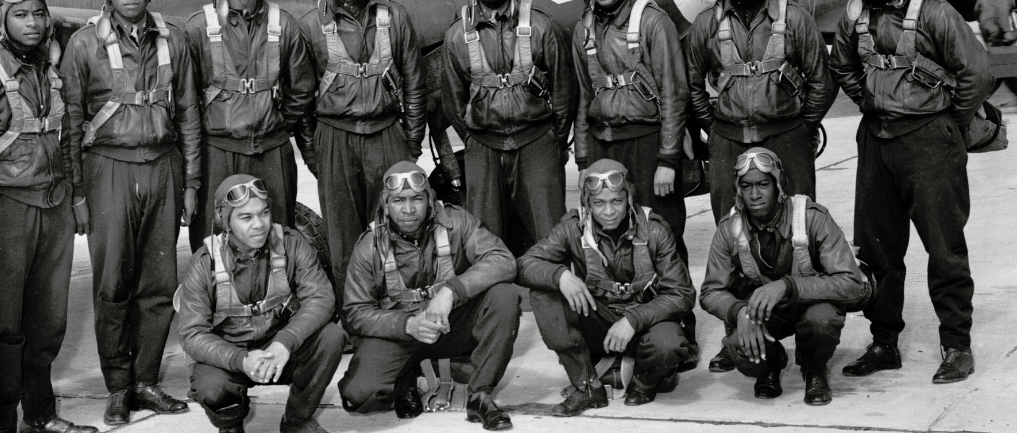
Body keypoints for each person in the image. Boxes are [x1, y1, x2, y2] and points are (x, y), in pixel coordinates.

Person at [829, 0, 993, 384]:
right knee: (877, 250)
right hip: (876, 142)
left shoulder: (934, 11)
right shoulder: (854, 16)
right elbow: (841, 65)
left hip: (929, 142)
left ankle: (957, 345)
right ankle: (884, 343)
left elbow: (976, 72)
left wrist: (949, 123)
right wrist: (869, 98)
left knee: (944, 250)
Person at [61, 0, 204, 424]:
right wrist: (79, 195)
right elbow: (72, 124)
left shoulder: (175, 40)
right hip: (109, 169)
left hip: (163, 167)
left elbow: (188, 118)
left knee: (159, 284)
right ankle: (118, 387)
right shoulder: (83, 46)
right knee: (111, 285)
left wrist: (190, 184)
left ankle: (146, 381)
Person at [685, 0, 836, 371]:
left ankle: (810, 335)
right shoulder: (706, 24)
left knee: (801, 233)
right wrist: (716, 128)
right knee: (731, 237)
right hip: (729, 137)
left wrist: (800, 127)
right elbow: (694, 86)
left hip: (785, 135)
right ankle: (738, 334)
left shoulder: (795, 18)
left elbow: (821, 80)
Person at [0, 0, 96, 433]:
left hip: (54, 207)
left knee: (48, 320)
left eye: (39, 13)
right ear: (1, 20)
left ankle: (41, 414)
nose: (33, 23)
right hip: (6, 210)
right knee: (2, 324)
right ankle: (0, 422)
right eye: (21, 15)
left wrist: (75, 197)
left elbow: (69, 140)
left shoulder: (51, 71)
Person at [339, 161, 519, 430]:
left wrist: (452, 291)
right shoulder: (369, 247)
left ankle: (480, 393)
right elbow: (354, 313)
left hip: (450, 325)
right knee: (360, 394)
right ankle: (405, 377)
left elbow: (503, 261)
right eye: (399, 200)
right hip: (401, 334)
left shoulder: (456, 222)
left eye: (416, 199)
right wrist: (406, 325)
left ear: (430, 199)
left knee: (504, 296)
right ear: (385, 205)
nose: (409, 209)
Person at [297, 0, 426, 304]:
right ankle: (355, 318)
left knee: (396, 230)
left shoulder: (395, 17)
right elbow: (302, 102)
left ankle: (400, 313)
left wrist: (412, 145)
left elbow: (415, 86)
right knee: (344, 239)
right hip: (334, 138)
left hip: (387, 134)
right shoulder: (310, 26)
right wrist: (313, 155)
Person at [518, 158, 695, 413]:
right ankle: (587, 386)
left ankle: (644, 380)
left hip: (644, 324)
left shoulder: (655, 230)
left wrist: (634, 318)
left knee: (668, 344)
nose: (609, 211)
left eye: (617, 201)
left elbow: (682, 294)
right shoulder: (573, 228)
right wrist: (561, 276)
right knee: (544, 294)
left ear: (629, 199)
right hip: (598, 319)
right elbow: (525, 264)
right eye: (599, 203)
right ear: (587, 204)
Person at [700, 147, 868, 406]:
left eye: (763, 184)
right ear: (738, 190)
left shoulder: (812, 218)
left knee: (822, 321)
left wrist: (787, 286)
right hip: (763, 311)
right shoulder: (729, 228)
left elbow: (852, 283)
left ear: (779, 185)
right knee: (741, 350)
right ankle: (771, 362)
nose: (754, 195)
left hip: (810, 303)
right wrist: (738, 313)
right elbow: (711, 292)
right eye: (746, 186)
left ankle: (814, 368)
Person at [178, 174, 344, 433]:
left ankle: (297, 421)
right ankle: (231, 426)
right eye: (246, 217)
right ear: (225, 221)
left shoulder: (291, 244)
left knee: (331, 337)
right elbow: (192, 333)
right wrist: (240, 359)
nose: (259, 224)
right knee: (210, 386)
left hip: (280, 350)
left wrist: (285, 342)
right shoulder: (204, 264)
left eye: (264, 213)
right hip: (231, 359)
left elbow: (322, 297)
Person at [440, 0, 576, 254]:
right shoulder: (457, 37)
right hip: (483, 145)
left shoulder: (541, 27)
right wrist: (475, 139)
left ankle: (556, 299)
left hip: (536, 139)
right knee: (483, 242)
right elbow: (453, 101)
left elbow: (564, 92)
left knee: (552, 235)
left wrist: (554, 139)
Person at [185, 0, 315, 249]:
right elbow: (186, 103)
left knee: (277, 239)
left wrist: (274, 122)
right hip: (218, 151)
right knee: (214, 246)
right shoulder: (198, 29)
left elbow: (302, 90)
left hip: (272, 151)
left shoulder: (284, 25)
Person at [571, 0, 690, 260]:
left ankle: (674, 307)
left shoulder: (652, 20)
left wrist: (668, 159)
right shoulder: (583, 30)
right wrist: (583, 161)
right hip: (602, 145)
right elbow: (583, 97)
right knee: (612, 231)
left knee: (662, 229)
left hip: (647, 144)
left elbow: (674, 93)